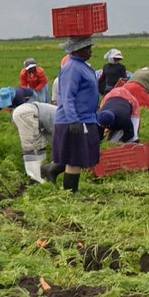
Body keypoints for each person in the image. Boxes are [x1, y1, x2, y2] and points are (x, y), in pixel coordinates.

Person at [53, 37, 100, 194]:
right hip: (73, 119)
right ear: (78, 51)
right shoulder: (72, 68)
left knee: (79, 157)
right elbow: (68, 96)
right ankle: (70, 193)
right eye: (88, 49)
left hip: (85, 118)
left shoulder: (82, 66)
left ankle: (70, 190)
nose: (91, 52)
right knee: (75, 158)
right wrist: (73, 120)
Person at [12, 101, 59, 183]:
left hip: (28, 112)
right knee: (32, 148)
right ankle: (34, 178)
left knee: (40, 146)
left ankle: (40, 174)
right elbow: (59, 144)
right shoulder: (69, 123)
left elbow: (55, 142)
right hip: (27, 113)